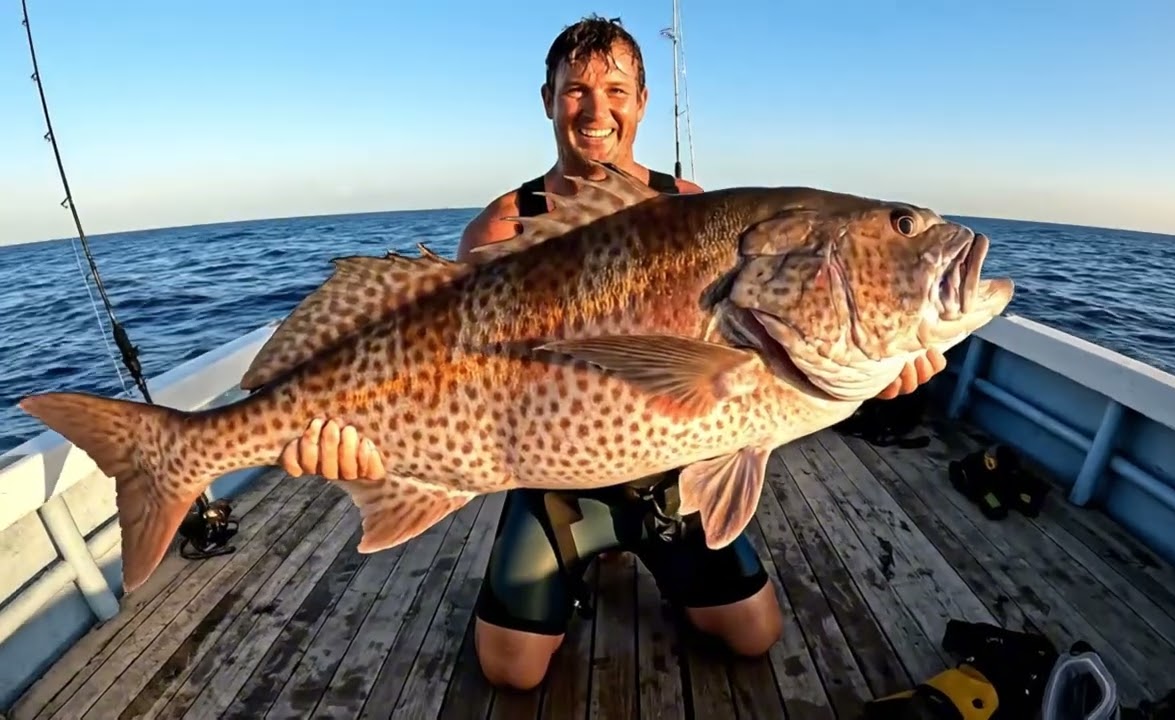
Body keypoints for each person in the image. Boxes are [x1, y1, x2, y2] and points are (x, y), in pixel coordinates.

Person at [276, 15, 946, 691]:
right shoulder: (503, 225)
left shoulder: (689, 208)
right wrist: (351, 447)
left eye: (618, 90)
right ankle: (566, 568)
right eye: (576, 91)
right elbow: (443, 360)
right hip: (554, 486)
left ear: (642, 103)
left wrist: (880, 371)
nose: (598, 110)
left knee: (755, 635)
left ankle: (642, 561)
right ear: (548, 100)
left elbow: (783, 368)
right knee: (511, 671)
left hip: (668, 487)